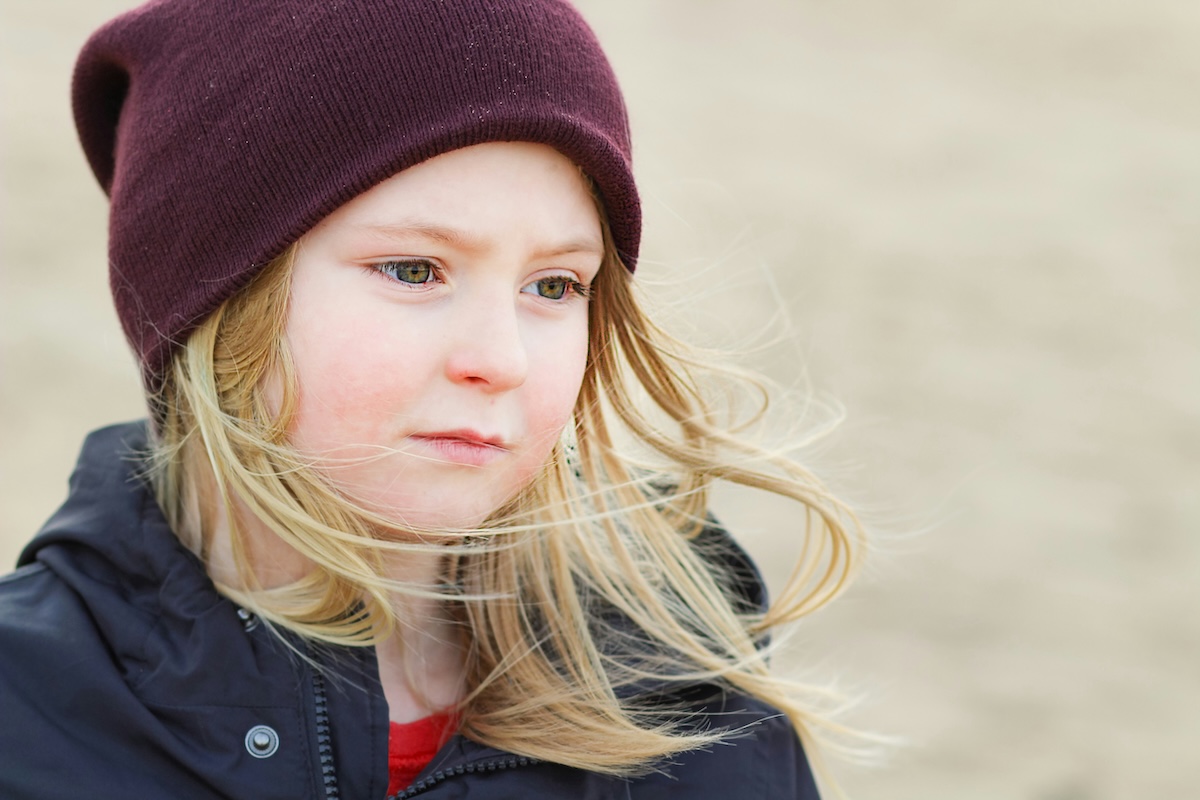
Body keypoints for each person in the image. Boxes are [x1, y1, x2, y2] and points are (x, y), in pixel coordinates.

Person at [0, 1, 865, 797]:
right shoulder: (30, 713)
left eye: (556, 285)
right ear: (215, 303)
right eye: (415, 270)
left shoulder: (676, 666)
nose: (502, 358)